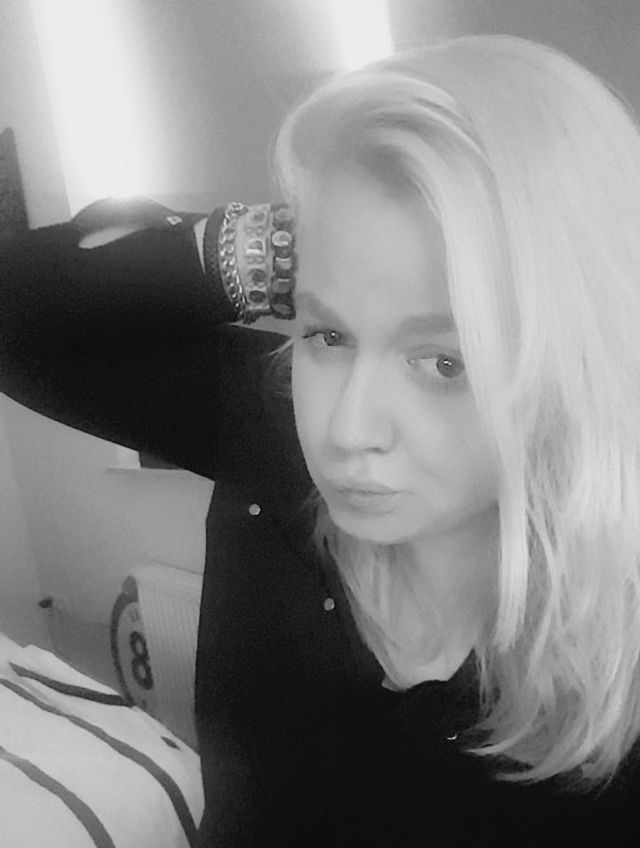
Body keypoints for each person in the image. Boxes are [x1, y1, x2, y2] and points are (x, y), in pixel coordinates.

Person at [2, 32, 640, 845]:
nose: (346, 430)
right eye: (328, 335)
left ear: (574, 365)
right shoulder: (269, 428)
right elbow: (19, 318)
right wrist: (281, 243)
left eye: (444, 362)